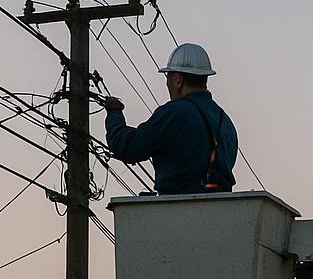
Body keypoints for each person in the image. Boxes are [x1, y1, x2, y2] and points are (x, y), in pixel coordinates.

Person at [101, 43, 238, 195]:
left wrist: (114, 113)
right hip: (221, 210)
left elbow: (127, 147)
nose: (167, 84)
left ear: (178, 79)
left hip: (179, 210)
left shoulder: (175, 113)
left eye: (169, 78)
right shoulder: (225, 121)